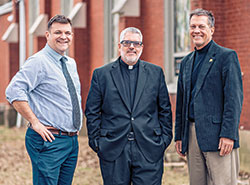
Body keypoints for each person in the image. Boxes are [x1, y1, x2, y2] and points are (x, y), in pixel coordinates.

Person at [85, 27, 172, 185]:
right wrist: (97, 142)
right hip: (113, 149)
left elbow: (165, 110)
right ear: (119, 46)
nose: (131, 47)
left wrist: (164, 140)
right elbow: (92, 111)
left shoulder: (155, 73)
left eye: (136, 43)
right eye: (127, 43)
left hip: (149, 148)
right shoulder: (102, 74)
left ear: (141, 47)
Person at [5, 15, 82, 185]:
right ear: (47, 35)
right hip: (49, 141)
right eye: (58, 32)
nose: (64, 36)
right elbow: (13, 91)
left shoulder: (70, 63)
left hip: (71, 141)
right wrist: (35, 122)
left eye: (67, 33)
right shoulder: (38, 61)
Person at [175, 8, 243, 185]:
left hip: (218, 136)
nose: (196, 30)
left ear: (211, 30)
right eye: (192, 26)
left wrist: (229, 134)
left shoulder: (226, 57)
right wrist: (180, 136)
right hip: (191, 134)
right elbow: (181, 103)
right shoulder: (186, 62)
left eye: (201, 26)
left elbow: (233, 99)